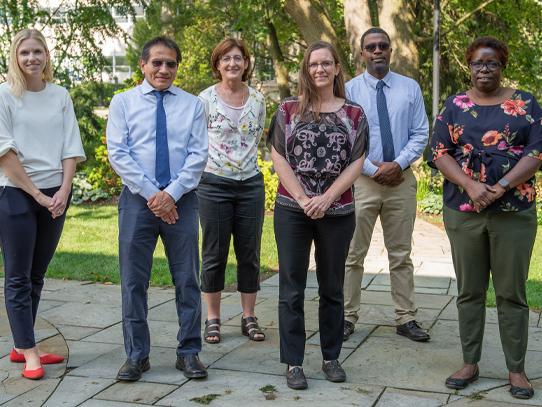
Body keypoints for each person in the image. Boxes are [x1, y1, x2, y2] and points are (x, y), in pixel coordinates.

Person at [431, 36, 541, 400]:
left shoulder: (524, 103)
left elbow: (538, 149)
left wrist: (502, 185)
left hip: (514, 212)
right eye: (478, 62)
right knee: (469, 290)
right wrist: (471, 186)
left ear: (502, 64)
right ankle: (470, 362)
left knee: (511, 292)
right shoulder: (455, 105)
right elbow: (439, 151)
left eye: (491, 63)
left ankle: (516, 370)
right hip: (464, 211)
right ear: (469, 65)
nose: (484, 69)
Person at [106, 36, 208, 382]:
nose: (164, 69)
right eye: (157, 63)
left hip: (182, 200)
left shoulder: (193, 105)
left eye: (171, 64)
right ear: (143, 65)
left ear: (177, 67)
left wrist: (172, 194)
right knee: (134, 281)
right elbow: (118, 153)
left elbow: (198, 156)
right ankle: (137, 355)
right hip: (138, 200)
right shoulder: (122, 102)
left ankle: (189, 352)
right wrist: (154, 195)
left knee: (187, 279)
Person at [271, 40, 368, 390]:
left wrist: (326, 198)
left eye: (326, 63)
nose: (320, 70)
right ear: (306, 69)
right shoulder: (287, 109)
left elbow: (357, 161)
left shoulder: (354, 113)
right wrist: (302, 197)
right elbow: (278, 156)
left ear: (337, 68)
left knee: (332, 288)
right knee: (291, 289)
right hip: (291, 211)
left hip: (338, 211)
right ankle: (294, 362)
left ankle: (331, 357)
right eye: (313, 65)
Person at [0, 29, 85, 380]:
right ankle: (29, 352)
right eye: (25, 53)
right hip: (16, 193)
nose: (32, 58)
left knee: (37, 274)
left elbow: (70, 144)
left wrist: (64, 189)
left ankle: (22, 344)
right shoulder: (4, 95)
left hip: (55, 194)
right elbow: (4, 153)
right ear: (15, 58)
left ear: (46, 56)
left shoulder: (60, 95)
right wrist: (38, 194)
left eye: (38, 52)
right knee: (18, 277)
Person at [342, 27, 430, 343]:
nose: (377, 51)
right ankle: (346, 317)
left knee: (401, 254)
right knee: (352, 254)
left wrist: (398, 164)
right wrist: (371, 169)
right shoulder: (350, 91)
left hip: (401, 181)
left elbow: (421, 132)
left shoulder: (410, 88)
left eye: (383, 46)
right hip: (362, 181)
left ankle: (406, 318)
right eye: (371, 47)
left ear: (390, 51)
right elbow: (347, 138)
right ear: (362, 53)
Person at [198, 38, 266, 344]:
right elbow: (196, 141)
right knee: (214, 253)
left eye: (238, 58)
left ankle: (248, 316)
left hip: (250, 184)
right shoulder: (204, 100)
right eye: (226, 59)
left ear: (246, 63)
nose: (232, 64)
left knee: (249, 253)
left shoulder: (259, 100)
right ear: (217, 65)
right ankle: (212, 318)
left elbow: (257, 140)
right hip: (213, 184)